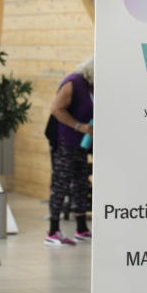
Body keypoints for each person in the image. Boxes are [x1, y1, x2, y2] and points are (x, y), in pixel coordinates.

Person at [47, 57, 93, 246]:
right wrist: (78, 126)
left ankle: (81, 228)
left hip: (82, 143)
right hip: (65, 140)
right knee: (61, 183)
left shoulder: (91, 86)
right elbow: (56, 109)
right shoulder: (74, 83)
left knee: (80, 183)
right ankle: (52, 230)